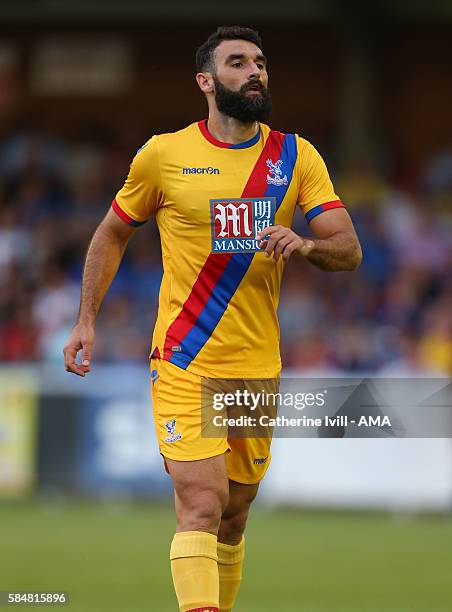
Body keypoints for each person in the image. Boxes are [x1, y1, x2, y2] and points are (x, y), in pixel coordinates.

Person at [64, 25, 362, 612]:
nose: (254, 71)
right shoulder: (164, 154)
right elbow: (113, 230)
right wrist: (86, 319)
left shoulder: (295, 157)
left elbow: (348, 249)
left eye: (259, 62)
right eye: (237, 63)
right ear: (206, 81)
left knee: (234, 513)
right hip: (186, 356)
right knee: (201, 504)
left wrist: (303, 245)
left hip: (257, 365)